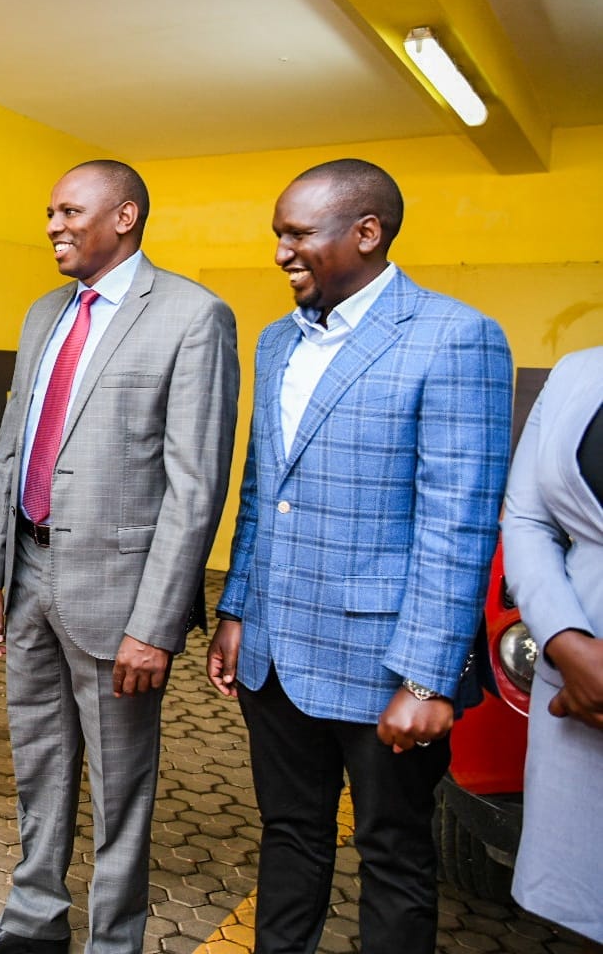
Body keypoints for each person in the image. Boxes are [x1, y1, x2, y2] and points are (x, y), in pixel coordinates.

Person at [208, 158, 512, 953]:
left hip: (382, 663)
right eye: (278, 233)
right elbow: (260, 489)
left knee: (393, 856)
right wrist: (237, 609)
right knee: (289, 836)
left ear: (366, 233)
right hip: (273, 654)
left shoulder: (455, 336)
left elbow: (459, 523)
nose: (280, 251)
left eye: (297, 234)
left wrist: (426, 677)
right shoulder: (277, 340)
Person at [0, 160, 239, 954]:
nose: (53, 226)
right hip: (28, 577)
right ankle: (34, 922)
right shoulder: (44, 313)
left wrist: (157, 625)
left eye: (71, 211)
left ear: (125, 217)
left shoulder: (191, 315)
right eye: (48, 212)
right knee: (37, 765)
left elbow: (194, 488)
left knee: (119, 789)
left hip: (119, 601)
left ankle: (113, 943)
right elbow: (11, 454)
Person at [500, 348, 603, 945]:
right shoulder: (577, 373)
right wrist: (565, 639)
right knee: (585, 905)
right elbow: (528, 519)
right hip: (578, 684)